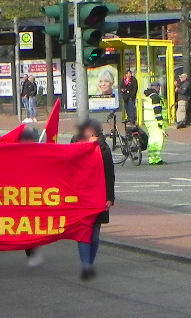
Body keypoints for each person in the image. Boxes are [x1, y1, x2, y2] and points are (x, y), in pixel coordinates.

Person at [76, 119, 115, 281]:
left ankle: (90, 262)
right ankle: (86, 265)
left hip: (98, 197)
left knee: (94, 234)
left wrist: (109, 198)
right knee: (83, 232)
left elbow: (109, 175)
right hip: (80, 197)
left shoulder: (103, 149)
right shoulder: (76, 146)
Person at [17, 127, 45, 267]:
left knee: (34, 224)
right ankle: (28, 246)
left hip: (36, 196)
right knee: (25, 224)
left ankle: (33, 248)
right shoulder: (14, 153)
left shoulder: (40, 153)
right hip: (19, 196)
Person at [143, 83, 167, 165]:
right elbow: (157, 111)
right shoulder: (155, 97)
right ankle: (156, 158)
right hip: (155, 121)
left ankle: (151, 157)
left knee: (152, 139)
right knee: (158, 140)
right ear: (157, 87)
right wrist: (160, 123)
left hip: (148, 121)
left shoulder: (148, 96)